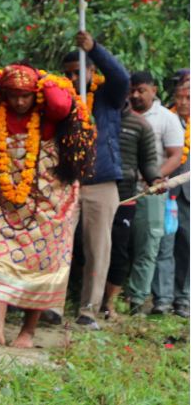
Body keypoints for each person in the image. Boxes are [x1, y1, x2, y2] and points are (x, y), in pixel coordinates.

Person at [0, 65, 86, 348]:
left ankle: (27, 332)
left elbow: (62, 103)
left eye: (25, 95)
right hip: (2, 201)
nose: (19, 102)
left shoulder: (46, 116)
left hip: (46, 204)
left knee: (42, 264)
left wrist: (43, 77)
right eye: (13, 95)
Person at [62, 30, 129, 328]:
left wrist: (95, 49)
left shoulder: (107, 97)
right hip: (65, 184)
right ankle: (50, 305)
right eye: (69, 74)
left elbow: (122, 78)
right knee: (58, 245)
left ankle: (88, 310)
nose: (75, 78)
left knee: (97, 249)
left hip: (101, 183)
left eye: (80, 72)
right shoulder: (61, 99)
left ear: (91, 71)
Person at [125, 71, 184, 314]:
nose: (136, 95)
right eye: (132, 90)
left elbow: (176, 155)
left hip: (151, 192)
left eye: (141, 90)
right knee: (119, 244)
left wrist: (154, 180)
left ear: (153, 91)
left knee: (148, 247)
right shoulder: (122, 113)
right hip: (121, 189)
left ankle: (137, 300)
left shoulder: (166, 119)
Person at [102, 101, 160, 318]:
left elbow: (149, 163)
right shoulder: (95, 116)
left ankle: (109, 303)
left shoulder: (140, 125)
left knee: (118, 251)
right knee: (86, 247)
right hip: (94, 194)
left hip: (125, 196)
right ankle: (88, 299)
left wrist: (155, 179)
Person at [152, 73, 190, 317]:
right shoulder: (165, 118)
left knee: (188, 246)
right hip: (165, 191)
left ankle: (184, 298)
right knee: (163, 245)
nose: (184, 102)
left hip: (189, 194)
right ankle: (162, 299)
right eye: (180, 97)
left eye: (189, 97)